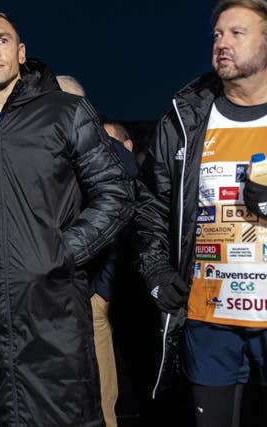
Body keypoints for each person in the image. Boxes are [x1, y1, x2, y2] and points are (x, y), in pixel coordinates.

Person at [0, 10, 135, 426]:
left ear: (21, 52)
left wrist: (61, 252)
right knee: (1, 414)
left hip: (56, 306)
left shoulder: (67, 111)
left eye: (2, 40)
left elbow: (116, 194)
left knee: (68, 415)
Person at [137, 1, 267, 426]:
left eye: (236, 33)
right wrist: (156, 273)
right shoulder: (186, 115)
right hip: (208, 316)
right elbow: (152, 201)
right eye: (217, 35)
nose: (222, 43)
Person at [56, 74, 122, 427]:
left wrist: (101, 293)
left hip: (91, 291)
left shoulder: (105, 153)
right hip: (57, 292)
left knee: (99, 394)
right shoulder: (53, 153)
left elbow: (126, 221)